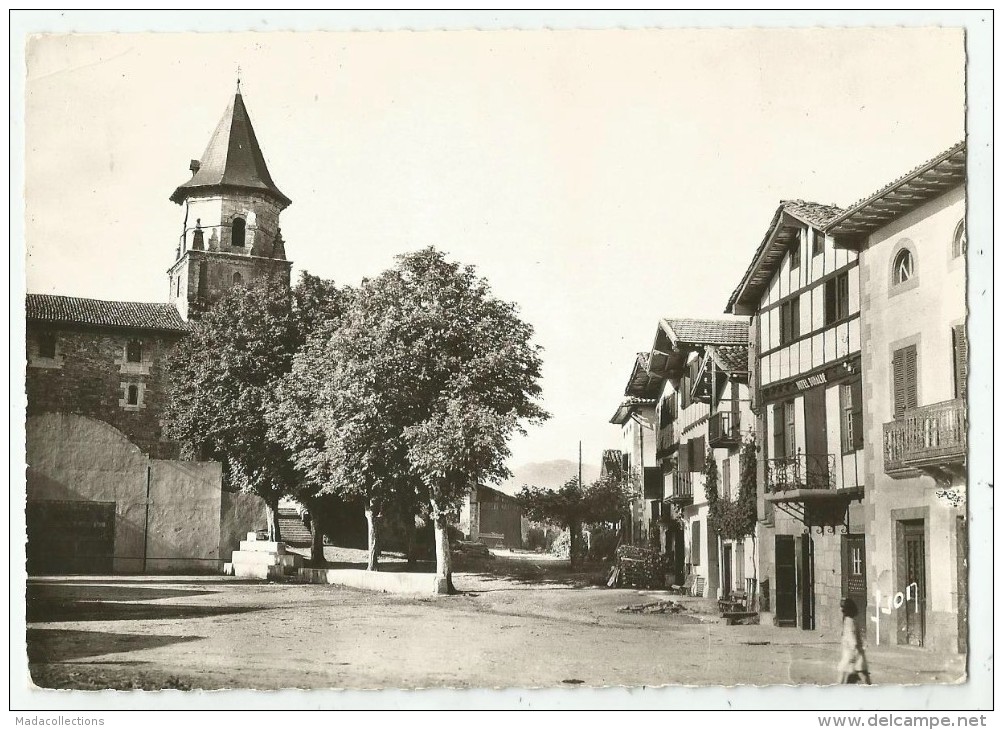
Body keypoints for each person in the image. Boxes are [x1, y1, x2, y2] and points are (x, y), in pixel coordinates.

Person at [837, 598, 872, 685]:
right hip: (853, 652)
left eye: (842, 607)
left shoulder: (849, 621)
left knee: (845, 674)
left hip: (851, 653)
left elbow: (852, 638)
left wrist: (853, 652)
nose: (840, 609)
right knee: (861, 674)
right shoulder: (850, 620)